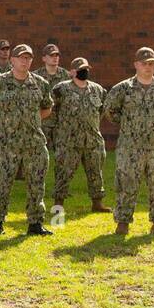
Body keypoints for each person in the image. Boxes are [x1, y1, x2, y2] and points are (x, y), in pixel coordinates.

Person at [103, 47, 154, 235]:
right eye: (144, 63)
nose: (148, 67)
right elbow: (110, 111)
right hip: (130, 148)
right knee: (126, 184)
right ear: (136, 64)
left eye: (151, 63)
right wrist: (129, 126)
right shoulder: (122, 89)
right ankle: (123, 223)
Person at [0, 44, 53, 238]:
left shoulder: (41, 83)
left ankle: (35, 223)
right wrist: (1, 121)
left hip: (34, 142)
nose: (25, 61)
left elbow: (47, 108)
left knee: (36, 183)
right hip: (7, 143)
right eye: (21, 57)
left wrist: (32, 120)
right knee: (2, 183)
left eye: (28, 58)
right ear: (12, 60)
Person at [51, 56, 109, 214]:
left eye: (86, 69)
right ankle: (58, 206)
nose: (84, 71)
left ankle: (97, 203)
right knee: (63, 173)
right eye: (81, 69)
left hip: (92, 140)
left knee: (96, 173)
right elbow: (50, 110)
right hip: (69, 141)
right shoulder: (61, 89)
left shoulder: (97, 89)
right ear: (72, 72)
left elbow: (102, 110)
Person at [33, 43, 68, 153]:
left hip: (61, 124)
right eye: (52, 55)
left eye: (57, 55)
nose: (55, 58)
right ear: (44, 58)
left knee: (61, 156)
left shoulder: (66, 76)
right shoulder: (36, 77)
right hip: (43, 123)